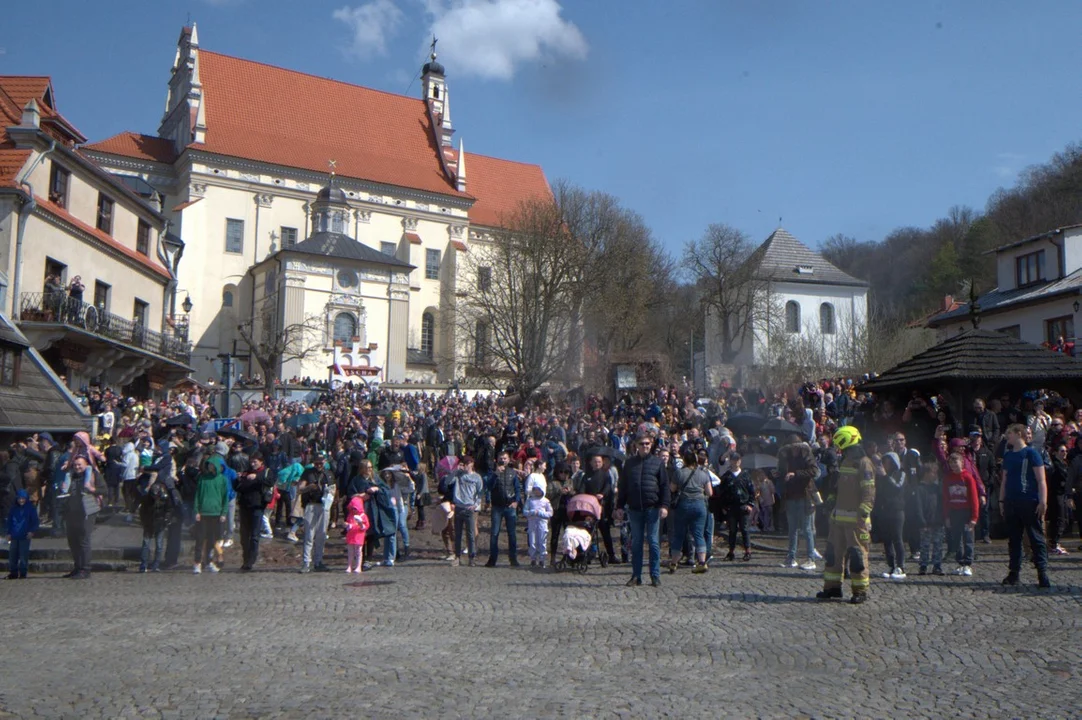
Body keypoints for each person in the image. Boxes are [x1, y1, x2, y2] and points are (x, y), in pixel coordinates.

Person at [816, 426, 875, 604]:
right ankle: (832, 587)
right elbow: (837, 486)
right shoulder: (844, 461)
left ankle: (860, 590)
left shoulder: (864, 463)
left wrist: (864, 510)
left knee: (857, 556)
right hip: (838, 519)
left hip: (856, 520)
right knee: (833, 554)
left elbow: (869, 489)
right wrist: (831, 500)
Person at [614, 435, 671, 588]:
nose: (645, 446)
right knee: (637, 543)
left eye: (647, 443)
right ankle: (636, 576)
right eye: (642, 443)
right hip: (635, 509)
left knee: (653, 543)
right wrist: (619, 506)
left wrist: (664, 505)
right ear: (636, 445)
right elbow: (623, 486)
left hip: (652, 508)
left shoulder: (658, 463)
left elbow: (665, 486)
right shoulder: (630, 464)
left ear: (651, 445)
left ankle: (655, 575)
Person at [999, 424, 1051, 588]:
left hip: (1029, 501)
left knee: (1036, 538)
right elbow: (1004, 480)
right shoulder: (1008, 456)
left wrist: (1043, 501)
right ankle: (1014, 573)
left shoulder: (1031, 454)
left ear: (1018, 434)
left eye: (1010, 433)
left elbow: (1041, 480)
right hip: (1011, 501)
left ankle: (1042, 573)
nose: (1008, 437)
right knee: (1014, 539)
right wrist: (1002, 501)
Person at [777, 432, 819, 570]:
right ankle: (791, 557)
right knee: (792, 529)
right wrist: (780, 475)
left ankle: (810, 558)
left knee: (807, 529)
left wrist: (796, 474)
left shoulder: (806, 456)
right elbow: (782, 473)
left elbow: (814, 471)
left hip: (805, 496)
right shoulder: (786, 457)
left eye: (795, 447)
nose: (793, 450)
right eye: (791, 447)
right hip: (790, 496)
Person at [666, 448, 712, 574]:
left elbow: (672, 488)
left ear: (684, 460)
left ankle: (674, 563)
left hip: (683, 505)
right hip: (699, 505)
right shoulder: (703, 474)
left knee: (679, 535)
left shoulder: (679, 473)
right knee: (698, 534)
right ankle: (702, 562)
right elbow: (710, 492)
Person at [942, 452, 979, 576]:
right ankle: (960, 562)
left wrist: (974, 517)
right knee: (956, 538)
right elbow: (946, 499)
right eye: (951, 463)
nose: (954, 466)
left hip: (966, 511)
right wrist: (946, 516)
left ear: (962, 463)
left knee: (968, 538)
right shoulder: (948, 478)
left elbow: (974, 498)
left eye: (956, 462)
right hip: (954, 512)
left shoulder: (968, 477)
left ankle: (968, 563)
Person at [62, 455, 99, 580]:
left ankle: (85, 568)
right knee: (73, 541)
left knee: (83, 541)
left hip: (87, 511)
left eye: (80, 465)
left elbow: (104, 490)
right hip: (72, 512)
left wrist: (92, 489)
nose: (77, 467)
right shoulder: (70, 476)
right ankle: (77, 567)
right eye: (75, 464)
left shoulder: (93, 475)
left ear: (86, 465)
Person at [235, 452, 273, 571]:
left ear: (261, 461)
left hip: (257, 506)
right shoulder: (246, 472)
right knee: (244, 536)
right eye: (251, 461)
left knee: (254, 535)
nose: (252, 464)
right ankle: (246, 558)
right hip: (244, 505)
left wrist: (256, 478)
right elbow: (238, 487)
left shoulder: (266, 472)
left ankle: (250, 561)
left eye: (255, 461)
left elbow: (270, 481)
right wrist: (238, 479)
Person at [485, 450, 521, 567]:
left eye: (505, 458)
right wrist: (495, 474)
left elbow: (517, 489)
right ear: (497, 459)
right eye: (501, 458)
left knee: (512, 534)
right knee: (494, 533)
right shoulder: (493, 473)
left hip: (510, 506)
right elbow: (489, 487)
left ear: (509, 460)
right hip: (497, 507)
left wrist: (516, 501)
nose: (503, 460)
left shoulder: (512, 472)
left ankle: (513, 558)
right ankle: (492, 559)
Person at [298, 456, 334, 572]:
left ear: (325, 462)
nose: (319, 465)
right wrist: (309, 487)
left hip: (324, 506)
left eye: (321, 462)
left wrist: (330, 492)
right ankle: (306, 562)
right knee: (309, 534)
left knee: (321, 535)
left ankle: (318, 561)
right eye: (317, 462)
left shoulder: (328, 474)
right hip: (311, 505)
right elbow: (300, 488)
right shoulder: (308, 473)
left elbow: (334, 489)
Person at [192, 457, 228, 574]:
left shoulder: (222, 479)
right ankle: (197, 563)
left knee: (212, 540)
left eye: (212, 465)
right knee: (200, 539)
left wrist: (224, 512)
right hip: (203, 513)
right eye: (209, 465)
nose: (210, 467)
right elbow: (197, 495)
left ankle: (209, 562)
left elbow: (225, 497)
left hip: (216, 514)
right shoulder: (202, 478)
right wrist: (196, 511)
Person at [876, 452, 908, 580]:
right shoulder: (882, 477)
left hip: (897, 510)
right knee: (887, 540)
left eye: (887, 462)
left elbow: (897, 487)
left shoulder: (901, 474)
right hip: (885, 511)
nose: (885, 464)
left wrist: (885, 477)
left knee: (897, 538)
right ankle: (891, 565)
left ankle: (900, 566)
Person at [717, 453, 754, 562]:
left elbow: (751, 491)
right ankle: (731, 551)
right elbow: (722, 492)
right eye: (733, 460)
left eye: (737, 460)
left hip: (743, 506)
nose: (735, 462)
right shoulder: (727, 476)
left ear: (740, 461)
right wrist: (723, 506)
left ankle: (748, 551)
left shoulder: (746, 475)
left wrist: (750, 504)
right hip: (731, 507)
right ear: (730, 461)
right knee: (732, 530)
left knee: (745, 529)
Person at [449, 456, 483, 567]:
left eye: (467, 463)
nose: (466, 465)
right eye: (464, 463)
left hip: (469, 508)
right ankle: (457, 557)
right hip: (459, 506)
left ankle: (472, 557)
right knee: (457, 534)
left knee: (470, 534)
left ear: (472, 464)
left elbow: (480, 492)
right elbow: (448, 481)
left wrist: (475, 505)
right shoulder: (459, 474)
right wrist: (455, 470)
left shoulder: (477, 477)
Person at [137, 470, 171, 573]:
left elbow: (168, 510)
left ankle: (155, 565)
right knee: (147, 544)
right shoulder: (147, 499)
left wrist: (166, 520)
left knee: (159, 545)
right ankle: (144, 565)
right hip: (149, 523)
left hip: (160, 523)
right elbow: (142, 512)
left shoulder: (165, 497)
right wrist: (144, 522)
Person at [915, 463, 945, 575]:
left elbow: (942, 504)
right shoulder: (920, 489)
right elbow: (918, 506)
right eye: (934, 473)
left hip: (937, 521)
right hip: (925, 522)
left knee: (938, 544)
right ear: (927, 474)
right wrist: (922, 521)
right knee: (925, 545)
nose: (936, 475)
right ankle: (923, 565)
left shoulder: (937, 488)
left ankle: (937, 565)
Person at [6, 489, 39, 579]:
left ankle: (23, 573)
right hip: (14, 535)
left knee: (23, 555)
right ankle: (13, 572)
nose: (21, 500)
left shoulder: (30, 508)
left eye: (23, 498)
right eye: (19, 498)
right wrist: (8, 533)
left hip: (25, 536)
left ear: (26, 498)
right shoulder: (13, 508)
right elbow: (9, 521)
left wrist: (31, 531)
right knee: (12, 555)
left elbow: (35, 521)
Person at [523, 483, 553, 567]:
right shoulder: (530, 500)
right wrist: (532, 512)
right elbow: (525, 511)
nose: (536, 491)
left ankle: (542, 558)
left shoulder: (546, 501)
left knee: (542, 541)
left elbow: (550, 513)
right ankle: (533, 558)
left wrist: (540, 513)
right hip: (532, 523)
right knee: (532, 541)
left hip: (542, 523)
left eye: (538, 489)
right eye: (535, 489)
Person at [344, 492, 370, 573]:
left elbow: (366, 526)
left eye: (355, 508)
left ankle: (358, 566)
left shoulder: (363, 516)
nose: (353, 510)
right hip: (351, 536)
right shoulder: (350, 516)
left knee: (358, 551)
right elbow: (348, 523)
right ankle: (349, 566)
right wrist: (347, 525)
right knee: (350, 552)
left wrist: (360, 524)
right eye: (352, 508)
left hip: (359, 536)